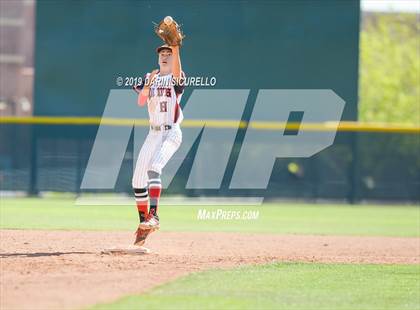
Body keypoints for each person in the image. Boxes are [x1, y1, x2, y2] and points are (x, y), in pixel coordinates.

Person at [132, 44, 185, 246]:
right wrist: (148, 84)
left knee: (154, 169)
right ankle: (144, 224)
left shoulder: (176, 78)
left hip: (171, 132)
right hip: (152, 134)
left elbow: (178, 73)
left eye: (168, 54)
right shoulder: (149, 76)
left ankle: (154, 216)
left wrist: (176, 48)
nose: (164, 57)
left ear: (174, 59)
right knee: (137, 181)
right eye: (162, 54)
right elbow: (141, 101)